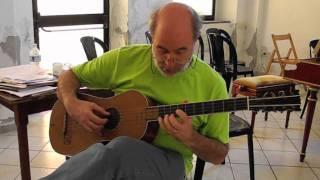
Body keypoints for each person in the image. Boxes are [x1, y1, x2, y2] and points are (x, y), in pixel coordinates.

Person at [42, 2, 229, 180]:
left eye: (180, 51)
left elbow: (219, 156)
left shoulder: (212, 84)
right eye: (161, 50)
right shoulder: (126, 59)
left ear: (195, 41)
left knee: (120, 150)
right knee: (114, 152)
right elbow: (69, 76)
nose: (169, 61)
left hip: (170, 163)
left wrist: (191, 138)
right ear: (151, 37)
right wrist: (72, 104)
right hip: (109, 155)